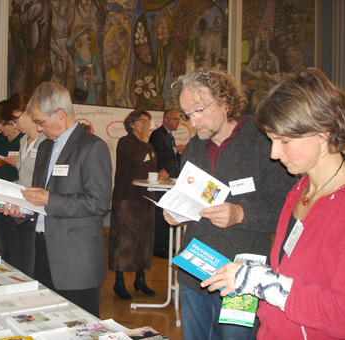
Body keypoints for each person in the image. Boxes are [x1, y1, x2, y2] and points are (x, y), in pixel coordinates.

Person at [202, 68, 345, 340]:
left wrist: (264, 283)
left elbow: (340, 315)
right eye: (271, 140)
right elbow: (289, 274)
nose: (274, 153)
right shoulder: (299, 189)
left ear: (322, 133)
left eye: (285, 141)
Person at [165, 68, 295, 340]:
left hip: (241, 277)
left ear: (225, 102)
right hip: (193, 272)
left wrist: (240, 214)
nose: (193, 121)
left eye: (199, 110)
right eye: (188, 114)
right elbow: (189, 197)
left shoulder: (263, 144)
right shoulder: (193, 148)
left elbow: (287, 212)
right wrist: (177, 212)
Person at [1, 82, 112, 317]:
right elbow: (41, 200)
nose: (39, 129)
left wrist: (50, 199)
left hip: (75, 259)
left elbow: (99, 202)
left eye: (40, 122)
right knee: (46, 322)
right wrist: (23, 209)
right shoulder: (44, 148)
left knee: (80, 326)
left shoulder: (92, 147)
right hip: (40, 250)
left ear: (60, 115)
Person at [108, 110, 169, 301]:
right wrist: (143, 139)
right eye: (142, 120)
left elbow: (147, 168)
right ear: (132, 124)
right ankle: (119, 283)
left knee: (144, 242)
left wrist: (158, 175)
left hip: (146, 199)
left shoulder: (148, 145)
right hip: (127, 199)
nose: (147, 123)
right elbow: (135, 159)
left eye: (148, 120)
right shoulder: (125, 142)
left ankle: (140, 280)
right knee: (124, 243)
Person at [0, 92, 47, 277]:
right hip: (16, 213)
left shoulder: (46, 142)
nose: (15, 126)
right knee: (16, 268)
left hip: (33, 215)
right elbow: (22, 178)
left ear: (28, 113)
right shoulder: (22, 140)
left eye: (15, 120)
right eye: (12, 122)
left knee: (30, 270)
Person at [0, 100, 23, 263]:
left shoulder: (26, 138)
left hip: (16, 197)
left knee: (16, 239)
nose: (0, 128)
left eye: (2, 123)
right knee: (0, 237)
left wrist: (20, 163)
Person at [149, 109, 185, 259]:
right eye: (175, 119)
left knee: (170, 212)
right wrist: (175, 150)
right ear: (166, 120)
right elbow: (156, 156)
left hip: (170, 180)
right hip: (161, 180)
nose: (178, 122)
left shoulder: (168, 135)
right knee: (161, 215)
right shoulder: (157, 134)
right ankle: (158, 247)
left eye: (178, 119)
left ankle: (166, 244)